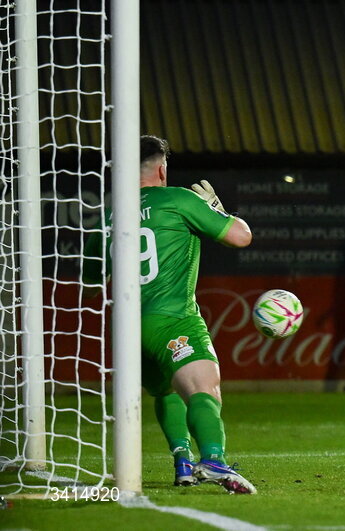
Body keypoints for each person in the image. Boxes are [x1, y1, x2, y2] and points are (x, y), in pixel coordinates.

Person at [82, 136, 257, 494]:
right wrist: (218, 209)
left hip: (129, 332)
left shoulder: (110, 214)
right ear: (162, 168)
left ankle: (182, 460)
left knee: (167, 392)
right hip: (173, 319)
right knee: (203, 387)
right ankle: (212, 460)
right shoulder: (179, 199)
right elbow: (241, 237)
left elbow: (89, 275)